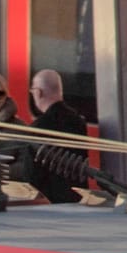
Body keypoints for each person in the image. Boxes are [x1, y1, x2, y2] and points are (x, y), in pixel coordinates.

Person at [26, 69, 88, 204]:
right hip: (77, 198)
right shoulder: (78, 121)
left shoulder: (38, 127)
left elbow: (33, 173)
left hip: (50, 202)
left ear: (38, 92)